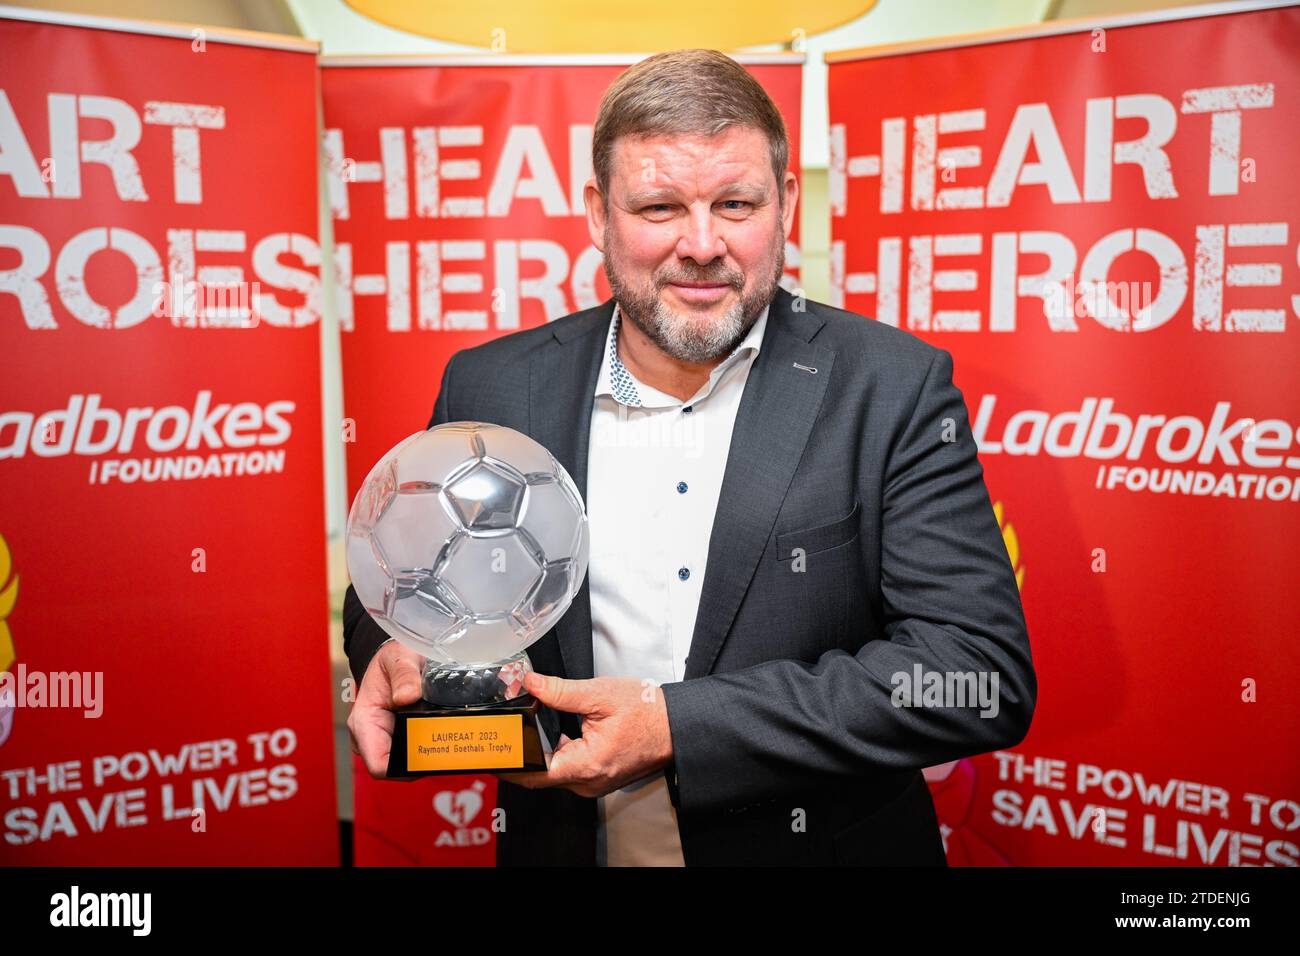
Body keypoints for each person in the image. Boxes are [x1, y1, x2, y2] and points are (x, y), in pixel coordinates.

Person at [344, 48, 1035, 866]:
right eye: (662, 206)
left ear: (784, 203)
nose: (701, 245)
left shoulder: (892, 388)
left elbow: (976, 674)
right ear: (600, 215)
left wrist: (676, 725)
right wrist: (391, 652)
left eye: (735, 203)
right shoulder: (492, 384)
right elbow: (402, 583)